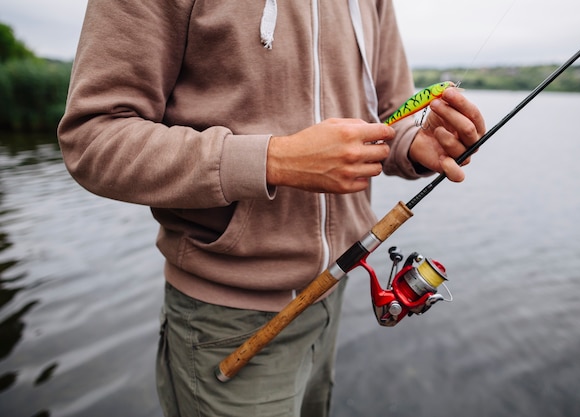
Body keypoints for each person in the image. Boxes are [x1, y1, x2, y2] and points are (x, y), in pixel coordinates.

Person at [58, 1, 485, 416]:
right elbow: (94, 138)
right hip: (224, 322)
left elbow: (389, 113)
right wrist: (274, 160)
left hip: (331, 299)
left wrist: (413, 144)